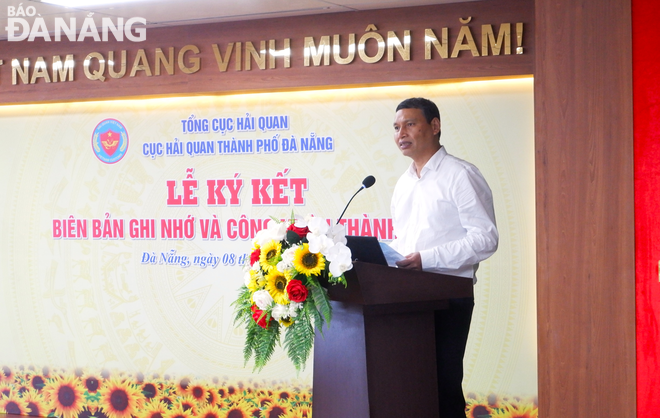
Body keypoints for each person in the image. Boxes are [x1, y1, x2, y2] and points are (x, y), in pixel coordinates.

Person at [390, 97, 499, 418]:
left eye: (410, 124)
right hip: (405, 296)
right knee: (412, 387)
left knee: (442, 386)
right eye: (396, 127)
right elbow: (406, 240)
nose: (401, 133)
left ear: (434, 126)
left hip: (447, 295)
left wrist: (427, 258)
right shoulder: (403, 183)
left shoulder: (460, 175)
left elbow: (485, 238)